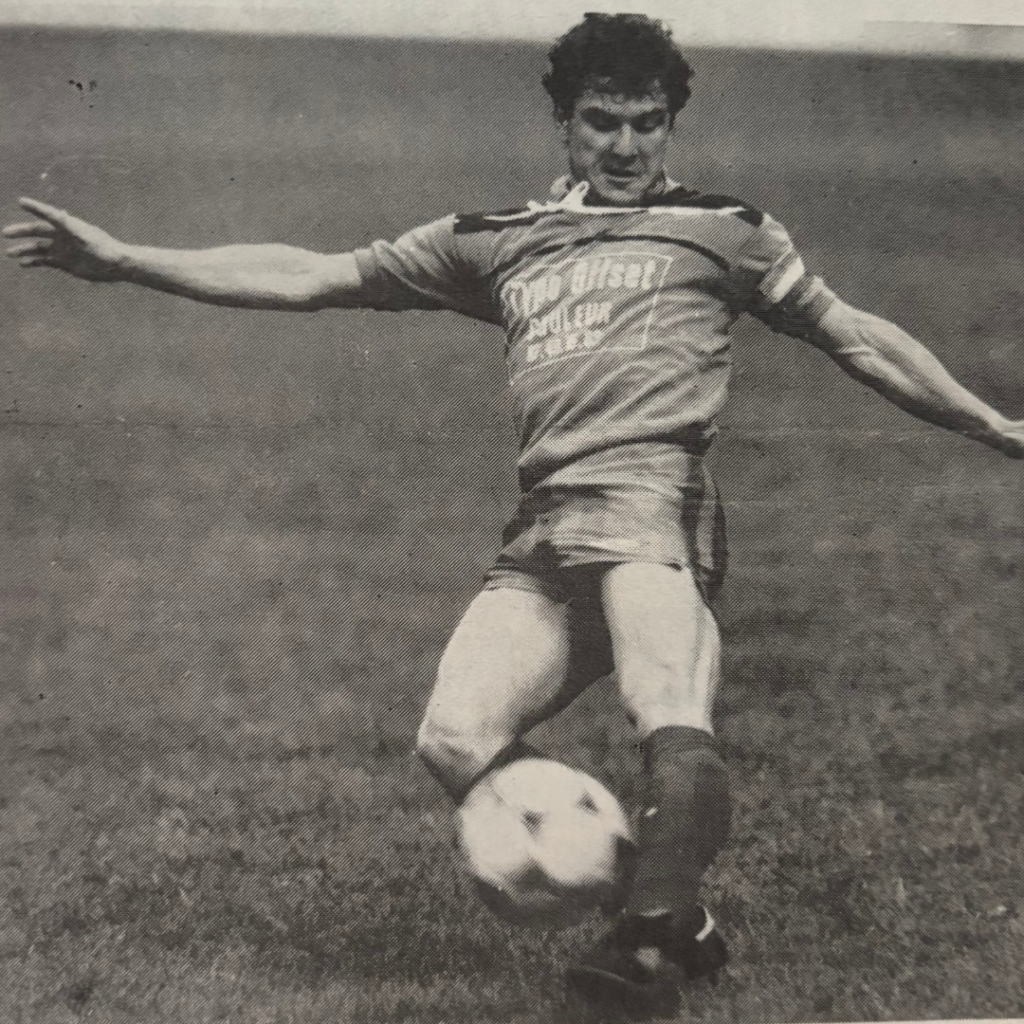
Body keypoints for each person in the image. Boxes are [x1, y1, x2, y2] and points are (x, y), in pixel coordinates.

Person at [5, 13, 1024, 1016]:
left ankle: (643, 954)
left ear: (670, 124)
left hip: (653, 502)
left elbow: (858, 338)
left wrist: (992, 423)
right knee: (453, 737)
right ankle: (671, 908)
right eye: (602, 122)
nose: (625, 146)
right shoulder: (496, 241)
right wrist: (128, 259)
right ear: (565, 123)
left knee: (665, 702)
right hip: (545, 526)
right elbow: (310, 275)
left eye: (647, 123)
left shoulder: (728, 231)